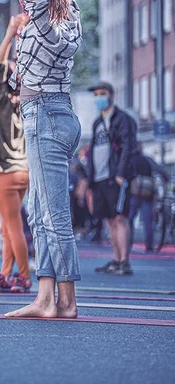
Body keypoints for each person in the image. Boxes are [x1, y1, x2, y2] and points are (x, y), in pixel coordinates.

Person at [5, 0, 83, 318]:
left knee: (53, 217)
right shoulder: (69, 16)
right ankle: (45, 297)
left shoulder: (50, 29)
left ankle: (66, 302)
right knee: (40, 211)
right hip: (56, 115)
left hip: (45, 118)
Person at [0, 14, 32, 293]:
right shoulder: (26, 101)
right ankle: (5, 272)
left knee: (13, 226)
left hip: (3, 172)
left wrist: (9, 35)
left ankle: (25, 276)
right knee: (7, 224)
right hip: (23, 170)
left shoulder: (1, 101)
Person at [87, 82, 137, 275]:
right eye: (96, 94)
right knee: (109, 220)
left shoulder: (122, 119)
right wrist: (90, 180)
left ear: (111, 95)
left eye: (103, 94)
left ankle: (124, 261)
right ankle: (116, 259)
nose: (99, 97)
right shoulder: (97, 123)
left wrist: (120, 174)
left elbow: (128, 147)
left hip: (114, 177)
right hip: (100, 178)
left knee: (119, 218)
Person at [128, 145, 168, 252]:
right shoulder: (147, 159)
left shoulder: (129, 160)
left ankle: (128, 243)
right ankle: (149, 245)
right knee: (148, 221)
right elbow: (161, 171)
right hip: (147, 194)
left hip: (134, 194)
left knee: (129, 219)